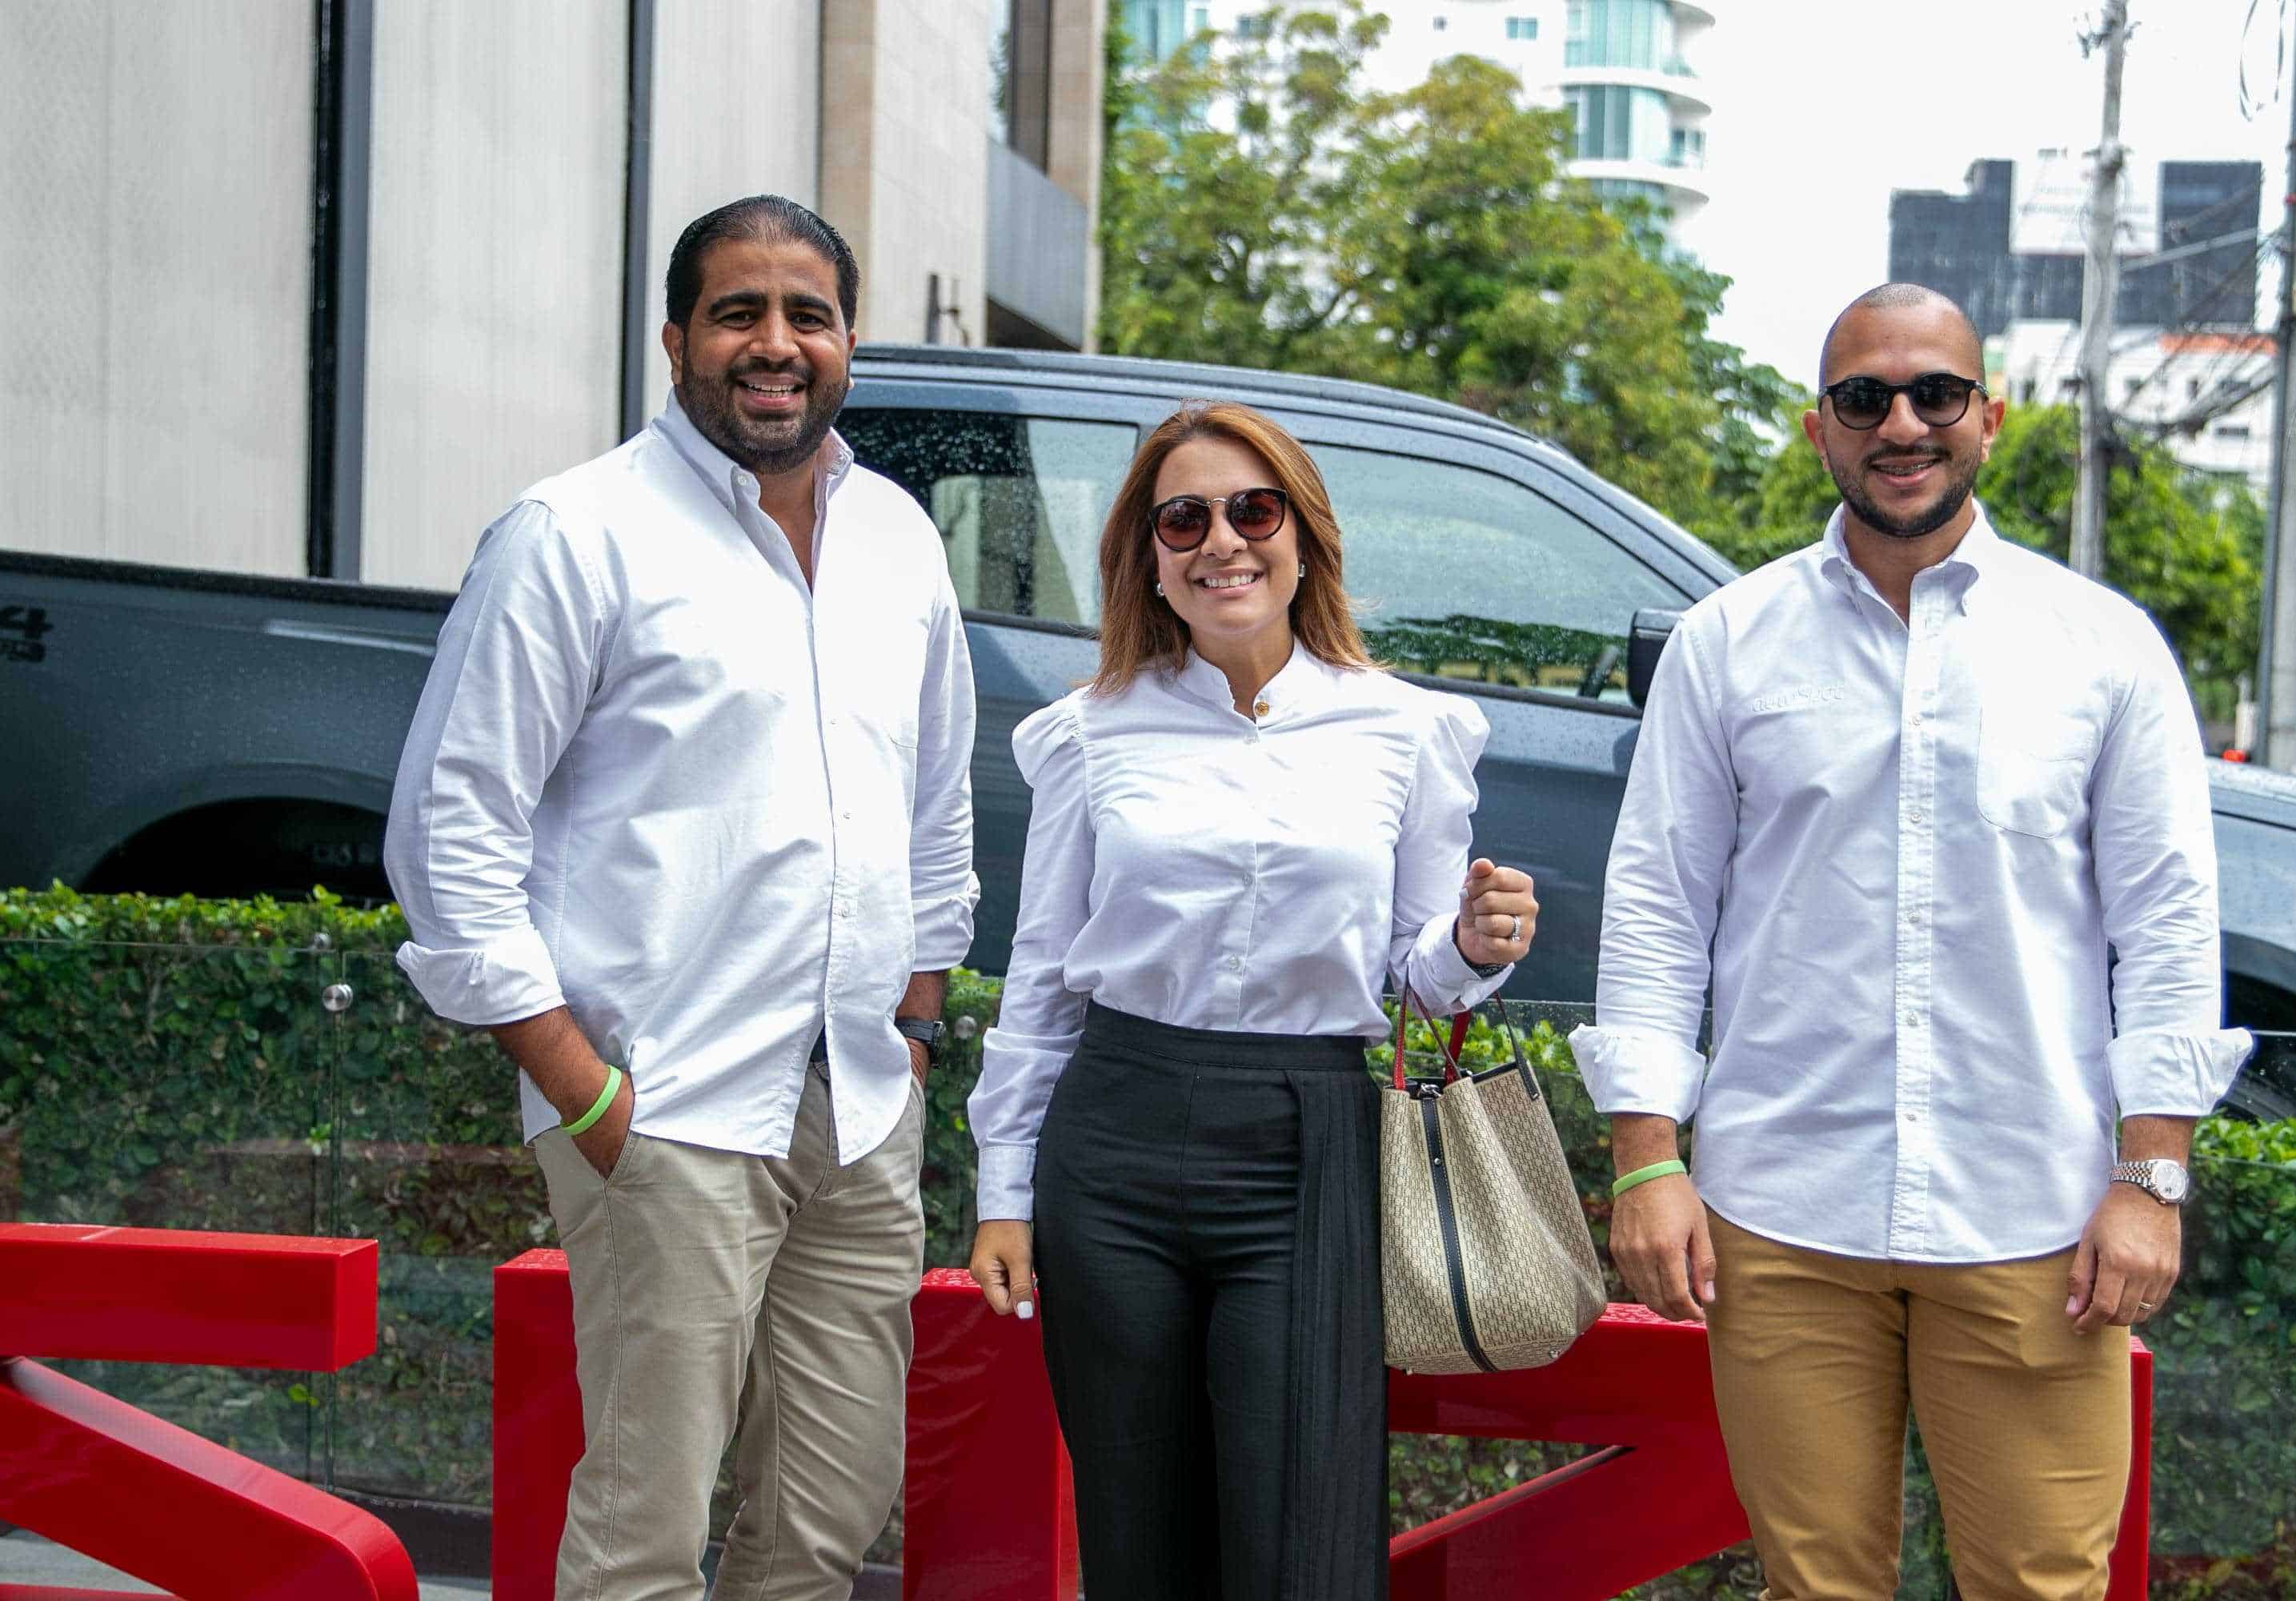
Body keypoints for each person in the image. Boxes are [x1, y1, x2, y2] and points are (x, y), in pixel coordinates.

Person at [1578, 283, 2252, 1599]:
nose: (1902, 422)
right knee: (1814, 1586)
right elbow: (1658, 901)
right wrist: (1646, 1158)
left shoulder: (2103, 649)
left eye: (1934, 393)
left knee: (2042, 1584)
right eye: (1864, 397)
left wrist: (2153, 1174)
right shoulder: (1729, 645)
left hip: (2036, 1218)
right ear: (1818, 428)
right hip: (1784, 1216)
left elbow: (2166, 920)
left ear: (1988, 418)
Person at [385, 195, 976, 1601]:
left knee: (828, 1520)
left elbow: (935, 809)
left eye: (808, 315)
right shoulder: (574, 532)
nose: (775, 345)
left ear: (847, 341)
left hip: (859, 1102)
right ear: (674, 340)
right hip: (664, 1106)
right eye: (737, 313)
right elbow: (449, 827)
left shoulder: (898, 538)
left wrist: (918, 1024)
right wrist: (580, 1088)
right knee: (645, 1529)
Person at [964, 401, 1539, 1599]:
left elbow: (1411, 973)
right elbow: (1041, 978)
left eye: (1252, 509)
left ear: (1302, 536)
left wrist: (1475, 947)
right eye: (1185, 518)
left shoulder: (1407, 728)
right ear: (1152, 560)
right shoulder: (1090, 733)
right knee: (1138, 1534)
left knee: (1300, 1532)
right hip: (1115, 1135)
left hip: (1305, 1140)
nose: (1222, 540)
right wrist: (1004, 1195)